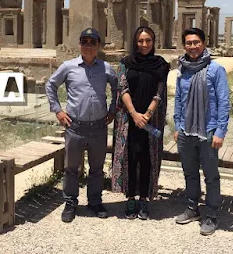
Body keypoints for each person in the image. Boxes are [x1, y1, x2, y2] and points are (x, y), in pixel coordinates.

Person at [45, 27, 118, 223]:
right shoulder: (68, 67)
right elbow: (50, 85)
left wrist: (113, 109)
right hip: (75, 126)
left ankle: (94, 201)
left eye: (92, 42)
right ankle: (70, 203)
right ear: (79, 45)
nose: (88, 46)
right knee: (71, 168)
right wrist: (58, 111)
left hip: (98, 127)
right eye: (84, 42)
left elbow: (117, 88)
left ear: (98, 46)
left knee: (96, 167)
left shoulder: (106, 68)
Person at [174, 27, 230, 236]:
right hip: (186, 131)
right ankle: (192, 208)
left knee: (211, 176)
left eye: (196, 42)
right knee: (189, 173)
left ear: (204, 44)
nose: (193, 46)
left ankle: (212, 214)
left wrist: (220, 131)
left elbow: (224, 102)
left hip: (208, 131)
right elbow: (179, 98)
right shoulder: (183, 68)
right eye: (189, 43)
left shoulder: (216, 70)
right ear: (184, 45)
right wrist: (178, 124)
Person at [111, 26, 170, 220]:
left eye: (148, 41)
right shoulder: (125, 64)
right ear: (135, 42)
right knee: (130, 157)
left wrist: (147, 114)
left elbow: (159, 92)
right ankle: (130, 197)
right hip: (129, 120)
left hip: (150, 121)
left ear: (154, 42)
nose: (144, 45)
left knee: (147, 159)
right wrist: (134, 114)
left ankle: (144, 198)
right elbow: (123, 88)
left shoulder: (161, 65)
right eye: (140, 41)